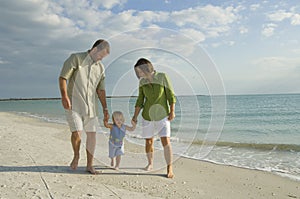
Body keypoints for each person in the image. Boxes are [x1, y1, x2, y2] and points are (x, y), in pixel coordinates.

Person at [58, 39, 110, 175]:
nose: (101, 59)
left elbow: (101, 90)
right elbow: (63, 77)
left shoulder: (100, 68)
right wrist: (64, 96)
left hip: (91, 107)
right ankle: (76, 155)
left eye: (103, 57)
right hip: (73, 104)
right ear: (94, 50)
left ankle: (89, 165)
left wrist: (105, 109)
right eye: (100, 55)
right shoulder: (76, 58)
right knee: (77, 133)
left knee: (92, 136)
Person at [131, 58, 176, 178]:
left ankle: (169, 167)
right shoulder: (142, 82)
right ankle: (150, 163)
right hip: (147, 116)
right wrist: (135, 116)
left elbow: (170, 95)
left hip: (162, 116)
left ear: (146, 68)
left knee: (165, 141)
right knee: (148, 141)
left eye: (139, 71)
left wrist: (172, 111)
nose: (138, 74)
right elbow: (140, 100)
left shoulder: (162, 77)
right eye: (137, 72)